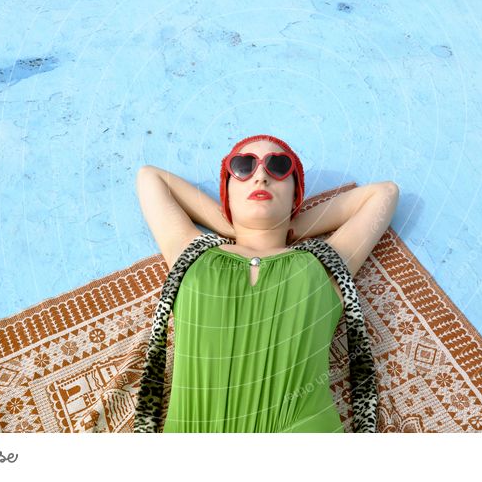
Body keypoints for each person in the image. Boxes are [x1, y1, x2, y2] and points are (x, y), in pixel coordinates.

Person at [135, 134, 398, 432]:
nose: (260, 175)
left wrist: (293, 224)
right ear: (227, 193)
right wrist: (230, 222)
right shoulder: (193, 253)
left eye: (279, 166)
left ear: (295, 196)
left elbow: (384, 194)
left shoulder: (325, 264)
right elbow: (150, 178)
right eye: (243, 166)